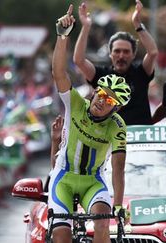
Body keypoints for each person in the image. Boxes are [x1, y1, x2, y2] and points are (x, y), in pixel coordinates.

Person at [50, 5, 130, 243]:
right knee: (61, 235)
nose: (102, 102)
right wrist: (62, 36)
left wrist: (118, 205)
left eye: (109, 101)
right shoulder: (76, 104)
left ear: (116, 108)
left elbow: (118, 167)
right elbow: (59, 73)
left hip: (93, 182)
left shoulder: (117, 125)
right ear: (94, 91)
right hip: (64, 177)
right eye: (101, 94)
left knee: (103, 223)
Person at [73, 0, 158, 125]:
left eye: (126, 51)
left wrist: (137, 24)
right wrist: (86, 27)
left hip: (140, 139)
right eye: (117, 51)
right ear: (110, 54)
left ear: (133, 54)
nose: (121, 56)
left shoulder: (141, 72)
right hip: (109, 140)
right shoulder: (101, 75)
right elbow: (79, 61)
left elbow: (153, 52)